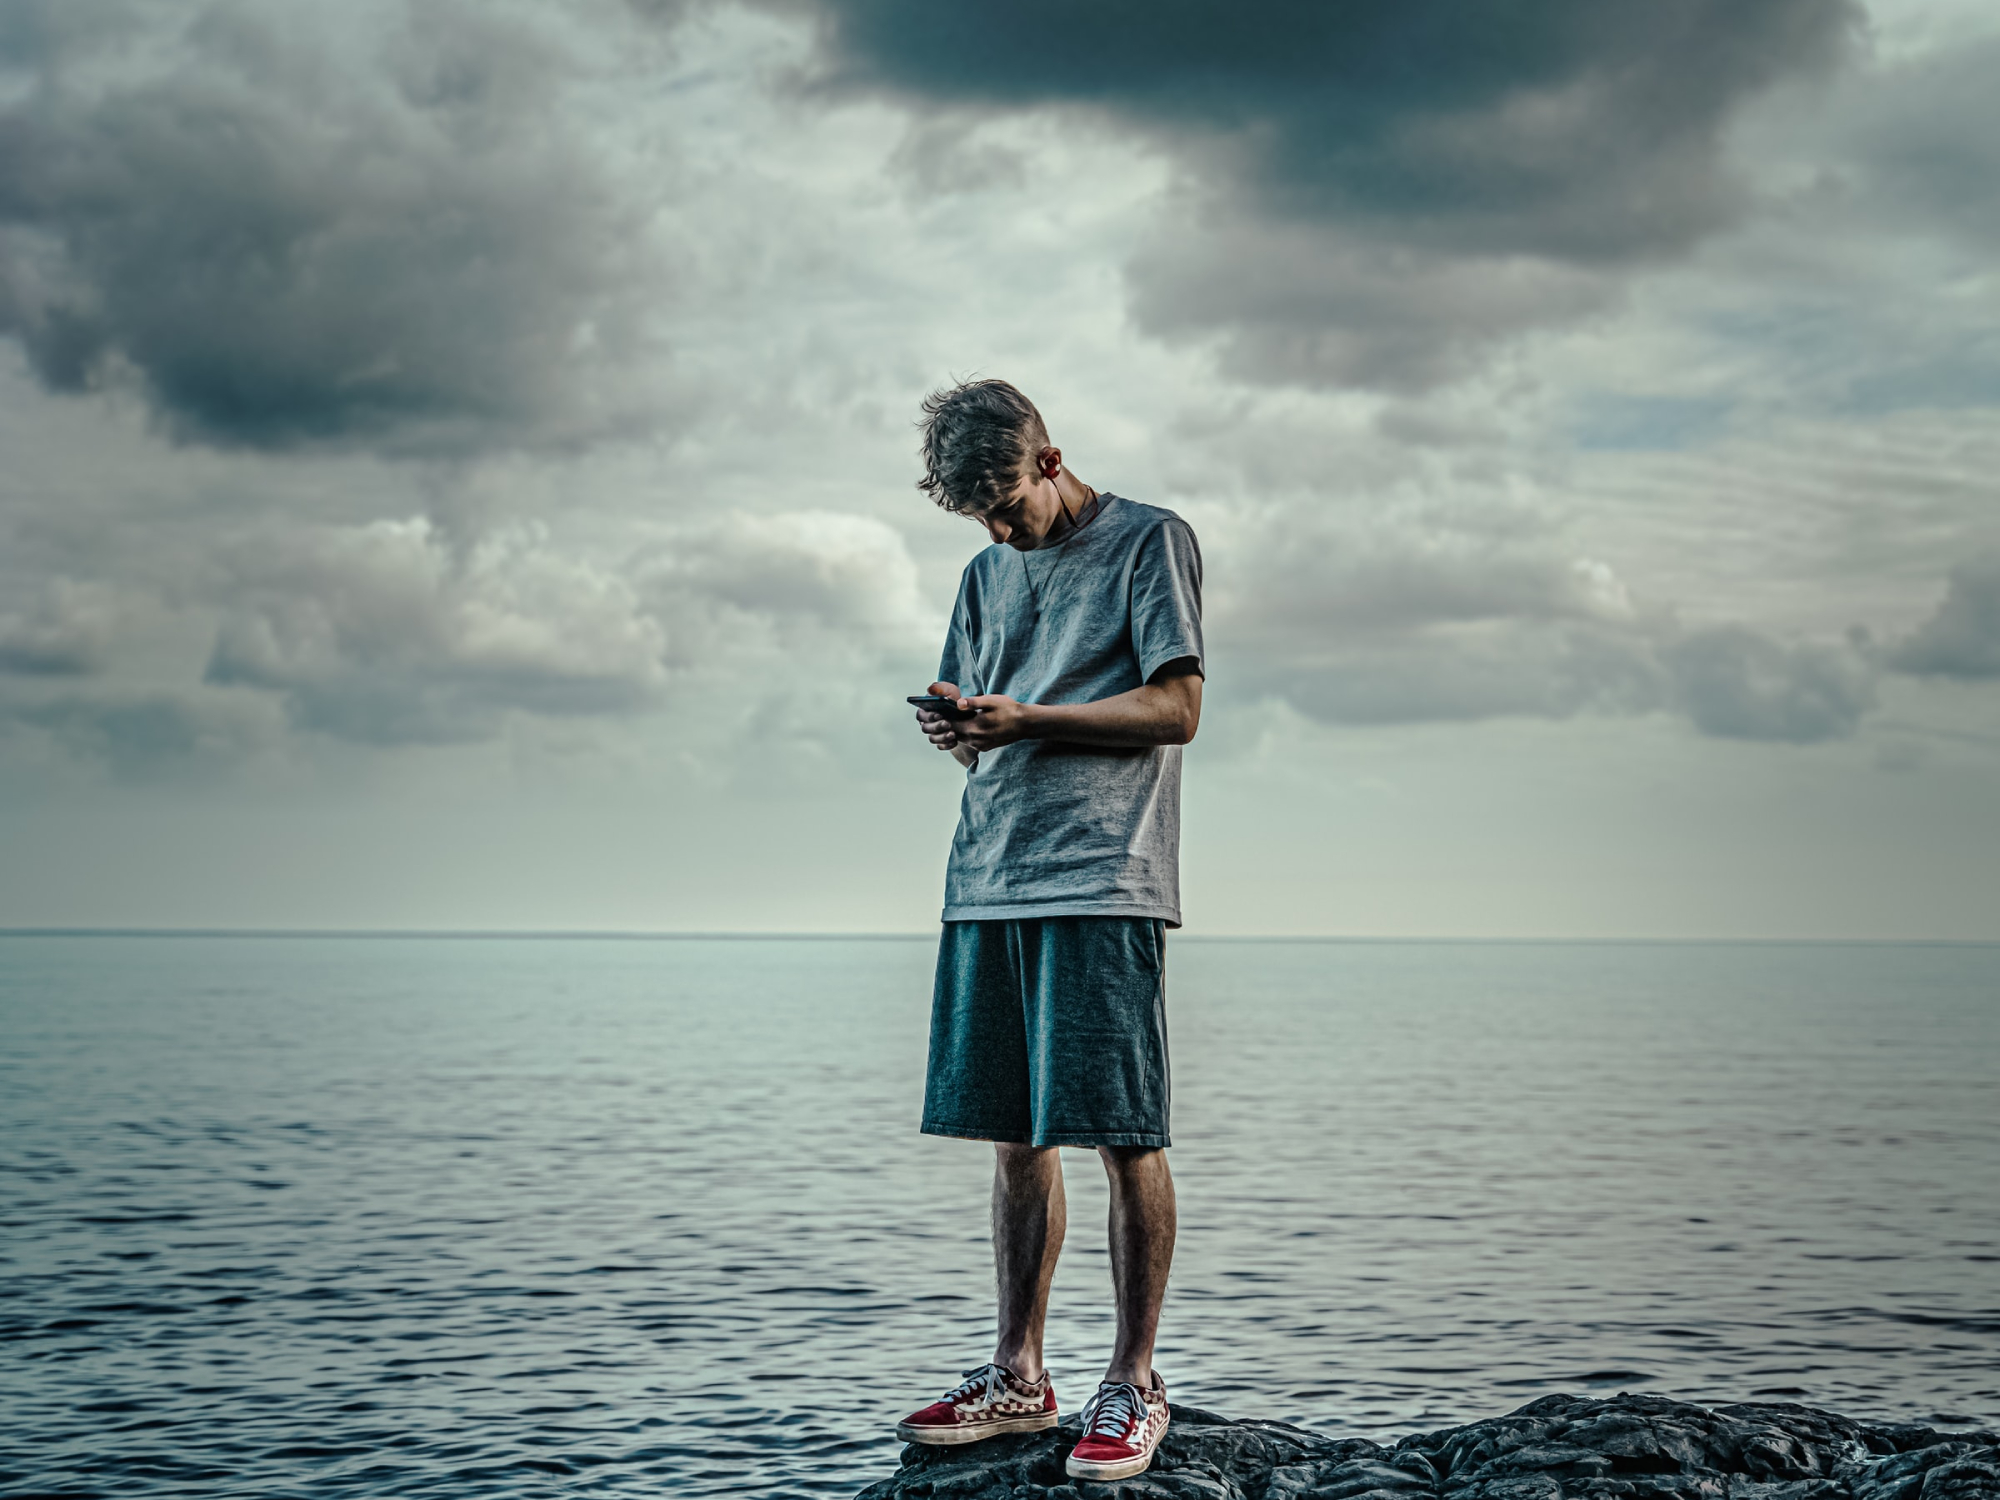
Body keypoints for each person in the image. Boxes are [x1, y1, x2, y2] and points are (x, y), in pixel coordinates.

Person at [896, 378, 1204, 1483]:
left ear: (1050, 459)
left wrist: (1029, 718)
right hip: (988, 874)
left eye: (1004, 507)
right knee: (1014, 1135)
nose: (994, 532)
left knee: (1124, 1131)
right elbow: (987, 723)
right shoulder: (985, 572)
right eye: (973, 515)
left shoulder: (1148, 544)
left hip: (1101, 875)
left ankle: (1134, 1381)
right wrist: (964, 727)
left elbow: (1176, 708)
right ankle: (1018, 1375)